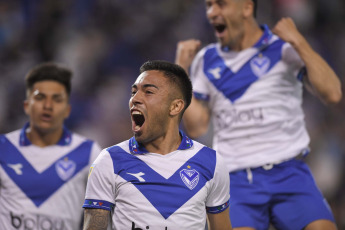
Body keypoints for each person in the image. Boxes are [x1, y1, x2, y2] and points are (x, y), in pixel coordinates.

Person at [175, 0, 342, 229]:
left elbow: (332, 93)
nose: (212, 12)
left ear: (246, 8)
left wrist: (299, 41)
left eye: (221, 4)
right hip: (236, 180)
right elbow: (196, 127)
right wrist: (181, 71)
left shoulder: (282, 48)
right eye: (209, 5)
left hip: (290, 172)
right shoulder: (206, 60)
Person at [82, 60, 232, 230]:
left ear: (175, 106)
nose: (135, 99)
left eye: (148, 92)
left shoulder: (211, 162)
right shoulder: (109, 160)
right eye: (133, 92)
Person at [0, 62, 102, 230]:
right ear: (27, 105)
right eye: (40, 97)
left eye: (57, 99)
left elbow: (101, 212)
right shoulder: (3, 148)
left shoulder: (88, 153)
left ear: (67, 109)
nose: (48, 106)